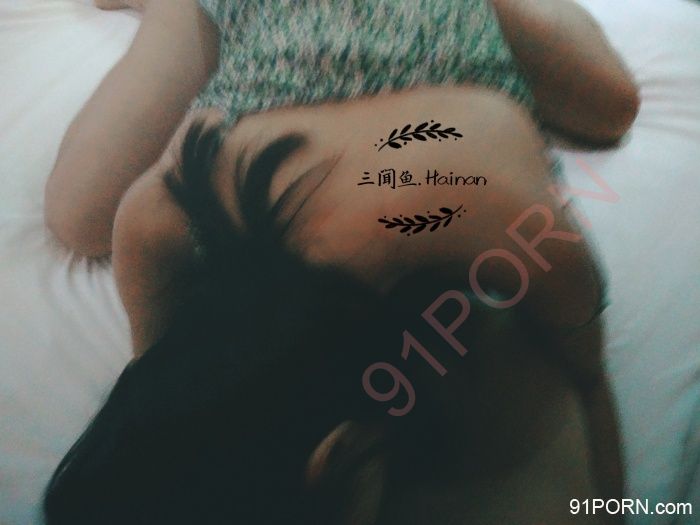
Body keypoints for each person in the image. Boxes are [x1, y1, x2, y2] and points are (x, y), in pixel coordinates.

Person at [43, 0, 640, 523]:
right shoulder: (150, 230)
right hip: (265, 22)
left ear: (337, 456)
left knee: (612, 107)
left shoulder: (491, 206)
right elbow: (164, 408)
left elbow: (588, 381)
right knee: (78, 216)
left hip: (428, 78)